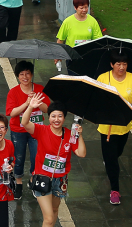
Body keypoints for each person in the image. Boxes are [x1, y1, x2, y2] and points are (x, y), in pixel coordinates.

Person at [21, 96, 86, 226]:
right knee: (49, 218)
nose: (56, 119)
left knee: (55, 210)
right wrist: (30, 106)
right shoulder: (41, 130)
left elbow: (81, 153)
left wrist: (80, 135)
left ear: (64, 118)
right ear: (49, 117)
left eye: (60, 116)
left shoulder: (69, 134)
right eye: (53, 116)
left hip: (60, 180)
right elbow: (25, 123)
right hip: (42, 178)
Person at [97, 50, 132, 205]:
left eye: (124, 64)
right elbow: (96, 98)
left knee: (118, 153)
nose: (122, 67)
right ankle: (115, 190)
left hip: (125, 127)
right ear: (112, 64)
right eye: (118, 64)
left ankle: (110, 162)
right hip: (107, 128)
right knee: (111, 161)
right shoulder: (103, 78)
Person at [5, 61, 50, 191]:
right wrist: (27, 103)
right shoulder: (13, 93)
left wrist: (37, 102)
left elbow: (47, 109)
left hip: (37, 130)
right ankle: (18, 181)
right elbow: (11, 112)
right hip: (18, 130)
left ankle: (33, 178)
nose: (25, 77)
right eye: (21, 74)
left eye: (28, 74)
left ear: (32, 75)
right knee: (18, 157)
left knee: (36, 155)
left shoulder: (40, 89)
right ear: (17, 76)